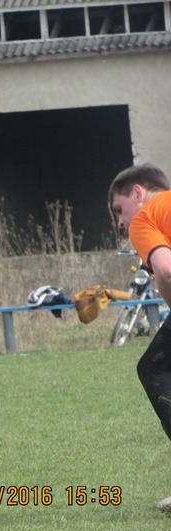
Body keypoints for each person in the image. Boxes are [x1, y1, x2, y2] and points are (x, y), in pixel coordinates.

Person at [109, 162, 171, 511]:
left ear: (138, 192)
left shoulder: (146, 217)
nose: (121, 222)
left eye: (119, 209)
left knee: (156, 369)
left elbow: (166, 269)